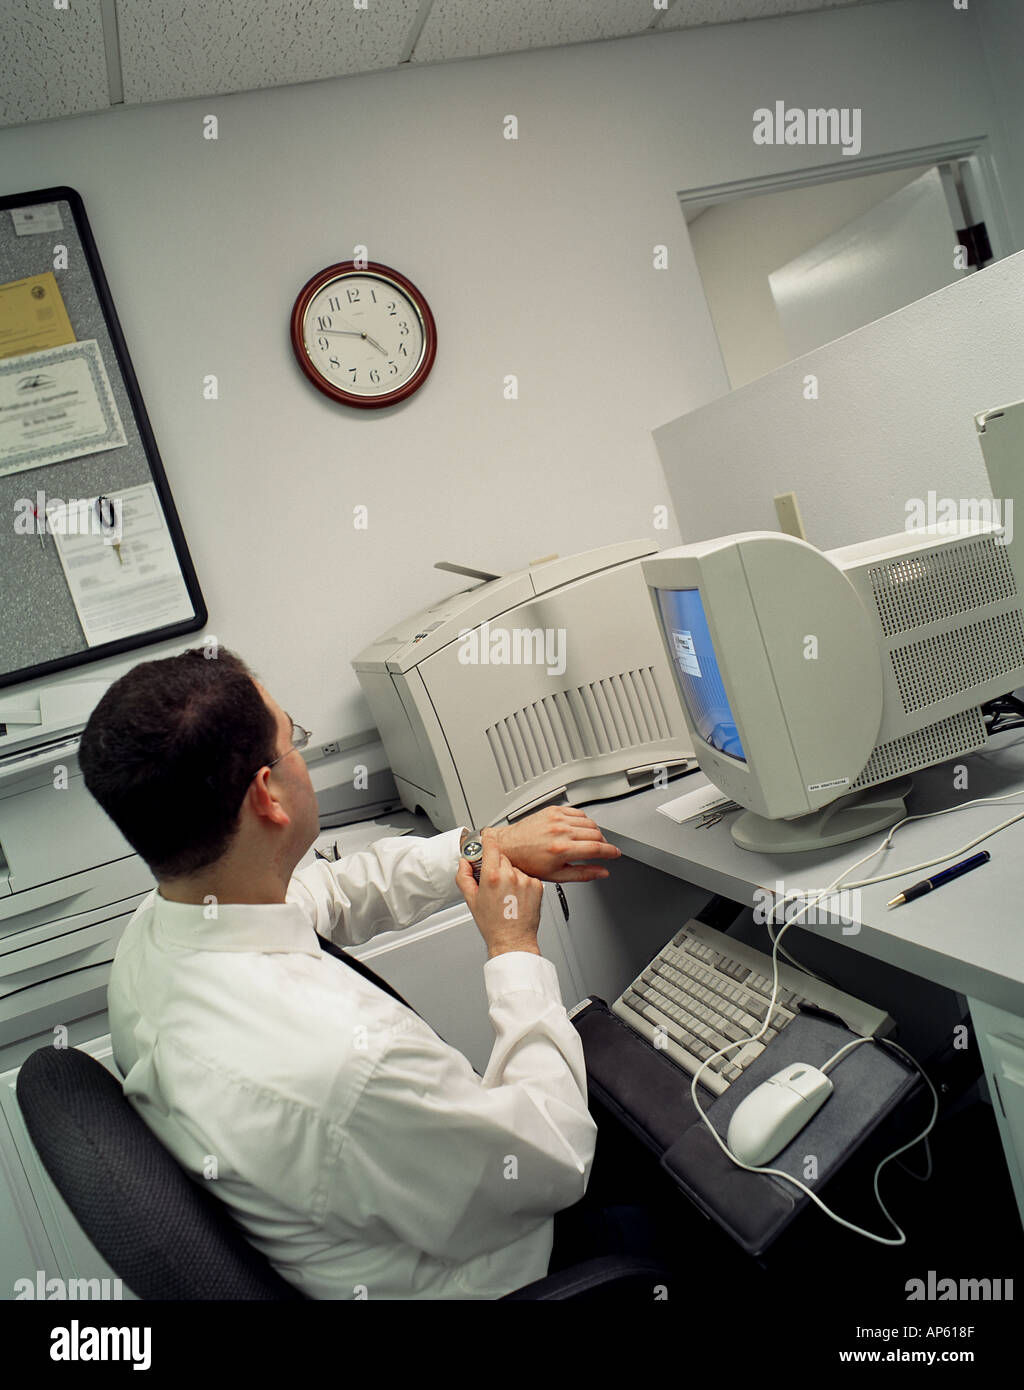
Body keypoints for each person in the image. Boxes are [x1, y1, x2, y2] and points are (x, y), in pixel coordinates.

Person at [78, 646, 626, 1299]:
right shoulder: (340, 1066)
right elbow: (558, 1158)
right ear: (267, 795)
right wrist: (513, 948)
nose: (303, 754)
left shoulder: (163, 928)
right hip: (516, 1270)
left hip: (397, 1216)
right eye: (294, 740)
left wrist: (487, 846)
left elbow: (333, 892)